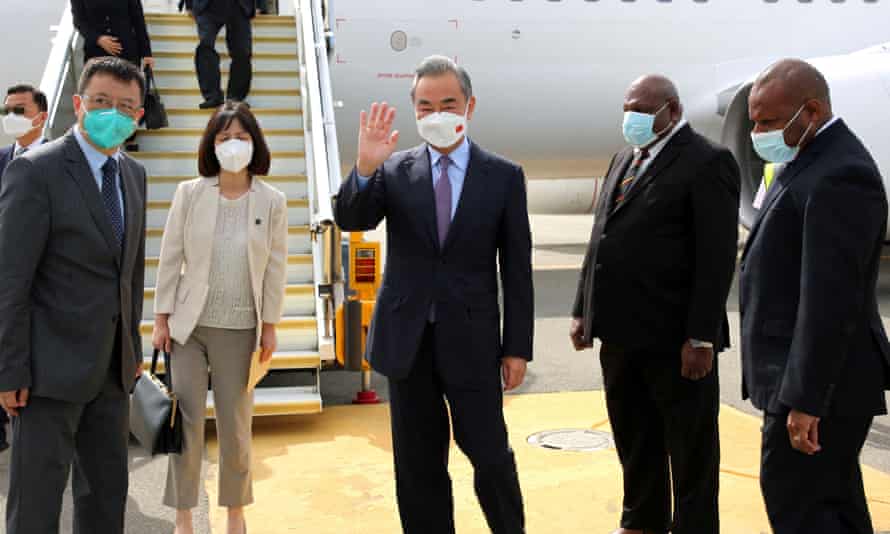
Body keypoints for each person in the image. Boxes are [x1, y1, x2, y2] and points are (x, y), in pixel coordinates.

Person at [335, 55, 534, 534]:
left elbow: (517, 270)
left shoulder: (503, 176)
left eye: (448, 103)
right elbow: (352, 218)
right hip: (408, 344)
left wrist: (517, 348)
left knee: (490, 455)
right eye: (425, 106)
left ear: (470, 106)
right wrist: (364, 167)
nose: (437, 114)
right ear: (414, 110)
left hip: (472, 341)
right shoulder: (394, 169)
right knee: (418, 466)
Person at [570, 75, 740, 534]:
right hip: (621, 334)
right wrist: (583, 309)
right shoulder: (624, 158)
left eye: (643, 110)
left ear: (673, 110)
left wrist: (700, 337)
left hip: (676, 339)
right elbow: (601, 236)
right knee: (634, 435)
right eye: (628, 109)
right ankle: (642, 520)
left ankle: (694, 527)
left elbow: (716, 258)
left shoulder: (707, 162)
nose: (633, 118)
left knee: (690, 447)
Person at [740, 58, 890, 534]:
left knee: (797, 503)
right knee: (834, 504)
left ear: (812, 111)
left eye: (768, 122)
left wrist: (806, 400)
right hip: (807, 379)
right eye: (754, 122)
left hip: (819, 386)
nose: (758, 133)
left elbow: (831, 300)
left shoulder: (840, 174)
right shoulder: (807, 158)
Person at [0, 56, 147, 534]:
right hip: (45, 375)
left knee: (105, 501)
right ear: (78, 104)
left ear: (139, 115)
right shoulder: (35, 171)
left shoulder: (133, 175)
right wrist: (10, 368)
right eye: (102, 101)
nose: (112, 113)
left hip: (111, 374)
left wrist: (132, 349)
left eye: (125, 106)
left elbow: (130, 272)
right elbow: (11, 279)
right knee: (36, 508)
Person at [153, 101, 287, 534]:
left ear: (255, 144)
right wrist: (161, 319)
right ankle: (183, 516)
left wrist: (270, 326)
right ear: (211, 145)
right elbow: (170, 256)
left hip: (242, 328)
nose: (232, 144)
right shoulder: (189, 193)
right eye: (224, 137)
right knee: (187, 424)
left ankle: (235, 512)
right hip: (188, 328)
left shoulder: (273, 200)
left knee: (235, 427)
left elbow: (275, 268)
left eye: (241, 137)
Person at [182, 0, 255, 109]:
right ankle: (212, 96)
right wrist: (189, 4)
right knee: (205, 46)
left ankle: (236, 97)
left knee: (242, 51)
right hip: (208, 6)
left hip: (239, 5)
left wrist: (261, 5)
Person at [71, 0, 155, 70]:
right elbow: (79, 22)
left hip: (127, 54)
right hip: (96, 54)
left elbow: (138, 20)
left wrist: (146, 53)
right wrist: (98, 39)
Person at [1, 84, 49, 177]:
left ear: (42, 117)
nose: (10, 116)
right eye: (6, 111)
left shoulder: (60, 159)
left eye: (19, 110)